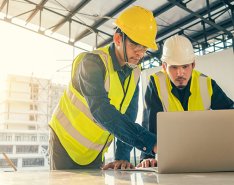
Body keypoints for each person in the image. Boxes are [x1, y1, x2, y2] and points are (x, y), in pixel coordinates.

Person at [49, 6, 158, 170]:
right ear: (118, 39)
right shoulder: (91, 63)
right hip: (64, 143)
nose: (140, 53)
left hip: (94, 151)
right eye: (136, 45)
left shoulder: (135, 72)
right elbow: (100, 109)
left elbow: (128, 115)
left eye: (144, 48)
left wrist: (122, 157)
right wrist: (151, 142)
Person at [137, 34, 234, 168]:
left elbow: (230, 113)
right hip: (171, 158)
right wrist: (147, 157)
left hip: (203, 156)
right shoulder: (156, 83)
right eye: (174, 67)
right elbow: (149, 123)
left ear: (193, 65)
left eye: (185, 66)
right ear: (164, 67)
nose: (180, 73)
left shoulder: (206, 83)